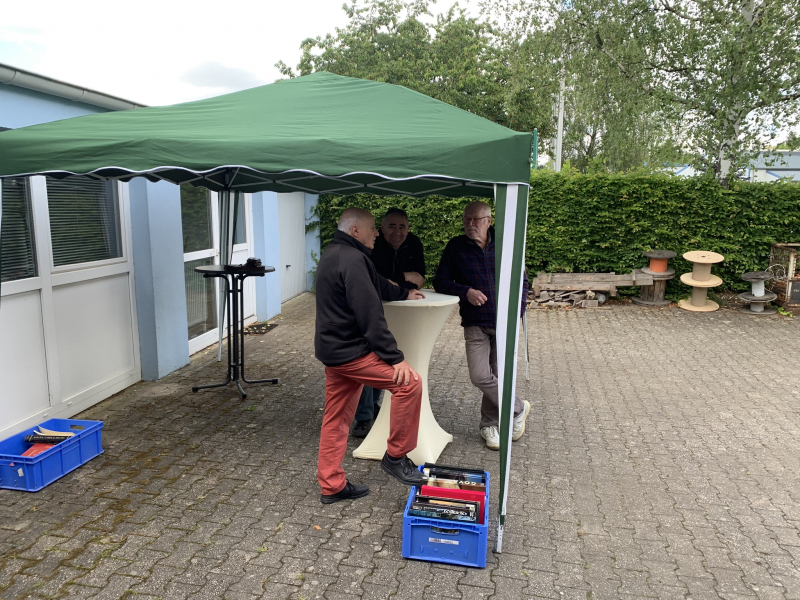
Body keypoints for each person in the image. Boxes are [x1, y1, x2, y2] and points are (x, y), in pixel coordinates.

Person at [315, 207, 427, 504]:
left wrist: (403, 293)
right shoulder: (352, 259)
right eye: (372, 228)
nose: (377, 233)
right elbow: (370, 315)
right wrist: (395, 358)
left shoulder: (336, 253)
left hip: (333, 350)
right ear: (355, 231)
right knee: (409, 384)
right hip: (350, 352)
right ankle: (396, 456)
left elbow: (376, 283)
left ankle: (331, 485)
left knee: (336, 418)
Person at [433, 201, 531, 450]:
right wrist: (465, 291)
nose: (470, 224)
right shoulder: (455, 247)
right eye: (466, 219)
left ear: (489, 221)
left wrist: (517, 312)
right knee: (479, 375)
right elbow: (440, 281)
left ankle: (489, 425)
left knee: (497, 376)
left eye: (476, 219)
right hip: (476, 322)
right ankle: (518, 407)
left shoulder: (506, 244)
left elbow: (522, 282)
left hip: (504, 323)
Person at [351, 207, 426, 438]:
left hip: (403, 310)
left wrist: (392, 281)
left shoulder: (414, 244)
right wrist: (403, 277)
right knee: (369, 358)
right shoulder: (372, 244)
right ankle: (363, 418)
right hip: (371, 309)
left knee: (384, 359)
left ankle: (374, 406)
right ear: (382, 228)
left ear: (408, 228)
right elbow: (373, 279)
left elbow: (420, 279)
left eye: (402, 226)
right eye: (391, 226)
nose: (397, 231)